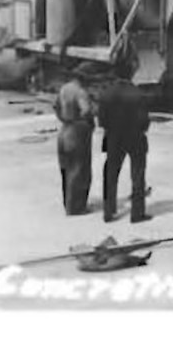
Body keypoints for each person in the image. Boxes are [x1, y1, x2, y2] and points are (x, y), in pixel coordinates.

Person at [97, 59, 151, 223]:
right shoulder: (137, 93)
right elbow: (144, 121)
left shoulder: (106, 93)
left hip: (113, 137)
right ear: (131, 73)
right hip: (135, 138)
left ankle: (108, 211)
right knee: (137, 175)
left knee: (111, 173)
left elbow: (101, 120)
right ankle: (137, 214)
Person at [53, 68, 95, 215]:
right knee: (80, 169)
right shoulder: (80, 92)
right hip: (77, 131)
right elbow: (86, 110)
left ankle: (68, 204)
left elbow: (55, 106)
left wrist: (64, 118)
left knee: (66, 169)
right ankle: (77, 208)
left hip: (64, 130)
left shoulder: (64, 89)